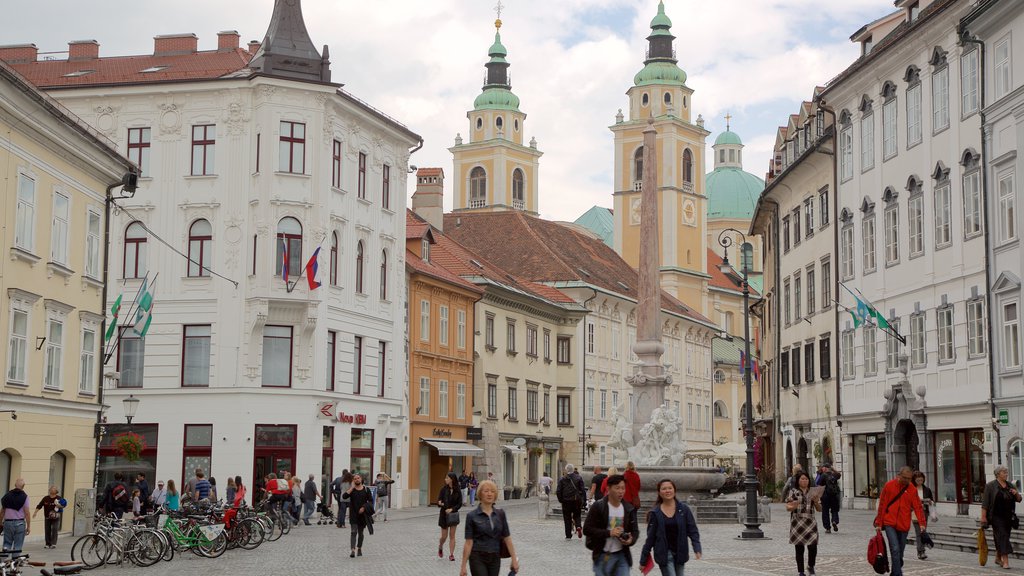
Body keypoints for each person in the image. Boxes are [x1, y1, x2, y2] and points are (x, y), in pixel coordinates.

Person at [639, 479, 702, 576]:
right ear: (659, 492)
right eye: (664, 489)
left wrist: (697, 547)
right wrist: (643, 560)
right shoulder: (655, 513)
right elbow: (650, 538)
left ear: (674, 490)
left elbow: (692, 530)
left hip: (680, 552)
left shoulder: (684, 509)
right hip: (664, 554)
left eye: (670, 488)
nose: (667, 491)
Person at [583, 474, 640, 576]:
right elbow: (587, 529)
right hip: (602, 554)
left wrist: (631, 540)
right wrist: (609, 533)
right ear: (608, 489)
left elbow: (635, 531)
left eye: (623, 488)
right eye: (617, 488)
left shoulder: (628, 508)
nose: (621, 491)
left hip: (622, 555)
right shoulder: (598, 506)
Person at [874, 466, 927, 576]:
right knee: (895, 548)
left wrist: (922, 523)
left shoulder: (912, 489)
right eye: (905, 478)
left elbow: (917, 506)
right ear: (899, 476)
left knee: (900, 552)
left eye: (909, 478)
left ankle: (895, 570)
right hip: (889, 523)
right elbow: (882, 505)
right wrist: (879, 523)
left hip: (904, 524)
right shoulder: (889, 486)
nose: (907, 480)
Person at [460, 479, 518, 576]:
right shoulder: (472, 516)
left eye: (492, 491)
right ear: (480, 494)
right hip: (477, 557)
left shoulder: (500, 514)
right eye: (486, 491)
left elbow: (507, 538)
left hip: (495, 557)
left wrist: (514, 559)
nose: (489, 494)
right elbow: (468, 542)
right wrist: (463, 566)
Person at [981, 464, 1022, 570]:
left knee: (1003, 537)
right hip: (996, 517)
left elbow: (1019, 499)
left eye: (1006, 472)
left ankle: (998, 557)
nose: (1006, 474)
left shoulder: (1009, 485)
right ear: (998, 474)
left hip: (1008, 517)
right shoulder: (990, 486)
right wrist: (983, 517)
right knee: (1003, 536)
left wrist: (1016, 493)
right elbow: (985, 503)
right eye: (1004, 472)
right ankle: (1005, 562)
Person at [786, 471, 821, 576]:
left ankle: (811, 566)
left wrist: (815, 501)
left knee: (813, 546)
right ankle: (801, 571)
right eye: (802, 479)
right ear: (798, 480)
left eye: (806, 479)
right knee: (799, 548)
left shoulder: (813, 492)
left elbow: (819, 509)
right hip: (798, 522)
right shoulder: (793, 492)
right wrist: (794, 505)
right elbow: (788, 507)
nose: (804, 481)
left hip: (810, 522)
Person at [342, 473, 373, 558]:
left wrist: (363, 507)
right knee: (353, 532)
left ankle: (359, 548)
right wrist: (351, 488)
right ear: (353, 480)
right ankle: (352, 550)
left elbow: (370, 501)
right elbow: (344, 496)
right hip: (353, 514)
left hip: (363, 515)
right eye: (355, 479)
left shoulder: (366, 490)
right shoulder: (352, 490)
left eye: (358, 478)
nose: (357, 480)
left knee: (361, 533)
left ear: (361, 479)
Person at [438, 472, 464, 561]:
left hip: (453, 515)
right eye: (445, 478)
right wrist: (440, 503)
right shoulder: (443, 489)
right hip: (444, 515)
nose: (445, 479)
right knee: (444, 537)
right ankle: (440, 546)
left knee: (452, 536)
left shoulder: (458, 490)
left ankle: (451, 554)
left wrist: (452, 509)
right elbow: (439, 500)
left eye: (447, 478)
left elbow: (459, 504)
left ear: (452, 479)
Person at [556, 463, 586, 539]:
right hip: (576, 500)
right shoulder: (579, 478)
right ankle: (578, 526)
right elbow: (583, 490)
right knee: (577, 515)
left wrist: (561, 500)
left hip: (566, 501)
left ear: (566, 470)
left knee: (567, 518)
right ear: (573, 470)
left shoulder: (562, 479)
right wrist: (584, 500)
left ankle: (568, 535)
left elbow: (558, 491)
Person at [911, 471, 934, 560]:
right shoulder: (911, 489)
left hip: (924, 512)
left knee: (923, 531)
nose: (920, 480)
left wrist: (929, 501)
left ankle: (922, 549)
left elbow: (932, 500)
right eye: (918, 478)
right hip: (915, 513)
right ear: (914, 480)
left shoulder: (927, 489)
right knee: (919, 532)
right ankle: (921, 551)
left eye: (921, 478)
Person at [1, 479, 30, 552]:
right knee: (18, 546)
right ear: (23, 487)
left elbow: (2, 511)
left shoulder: (7, 496)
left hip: (7, 523)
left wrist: (0, 522)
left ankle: (4, 561)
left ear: (15, 485)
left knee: (6, 544)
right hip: (19, 523)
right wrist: (28, 526)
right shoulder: (25, 497)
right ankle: (15, 561)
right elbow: (27, 513)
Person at [815, 464, 841, 533]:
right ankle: (834, 521)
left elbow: (818, 483)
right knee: (835, 510)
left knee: (825, 511)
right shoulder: (834, 475)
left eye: (823, 467)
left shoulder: (823, 475)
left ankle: (827, 528)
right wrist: (833, 469)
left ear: (825, 468)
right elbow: (839, 474)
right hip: (834, 495)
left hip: (825, 496)